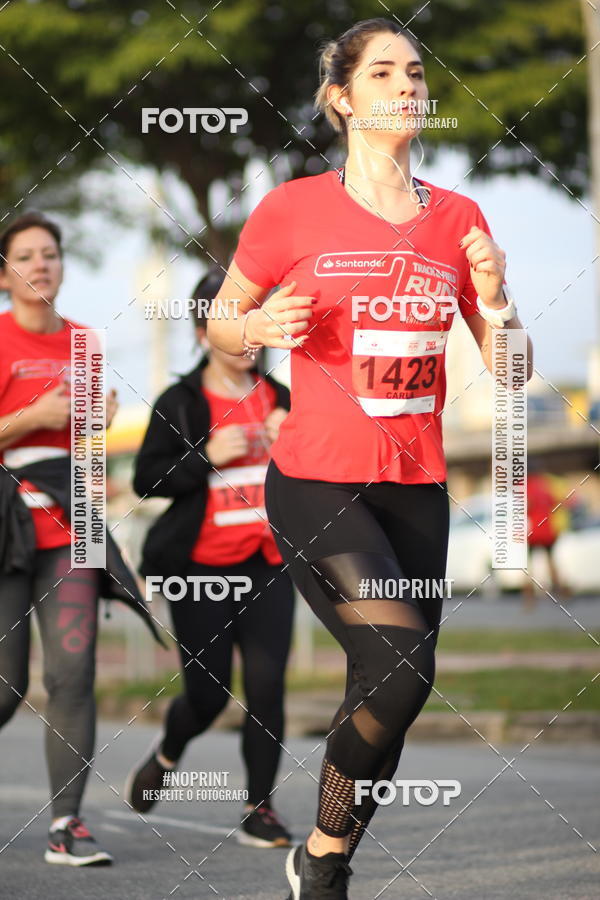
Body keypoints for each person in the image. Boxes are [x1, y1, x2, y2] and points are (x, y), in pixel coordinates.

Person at [207, 17, 534, 899]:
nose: (406, 83)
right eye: (382, 70)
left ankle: (326, 859)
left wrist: (497, 300)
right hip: (316, 478)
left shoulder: (459, 219)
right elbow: (222, 320)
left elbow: (512, 369)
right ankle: (319, 852)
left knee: (387, 691)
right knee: (402, 664)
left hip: (416, 487)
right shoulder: (292, 208)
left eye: (416, 71)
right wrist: (254, 326)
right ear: (342, 98)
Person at [0, 211, 161, 867]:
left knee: (73, 676)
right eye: (27, 256)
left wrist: (96, 429)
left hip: (71, 528)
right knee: (6, 687)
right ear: (6, 271)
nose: (42, 265)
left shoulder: (87, 343)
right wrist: (34, 416)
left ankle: (67, 825)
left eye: (52, 254)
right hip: (4, 529)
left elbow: (88, 454)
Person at [126, 269, 295, 848]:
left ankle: (259, 808)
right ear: (204, 333)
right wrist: (203, 455)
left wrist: (293, 438)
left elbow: (322, 474)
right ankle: (168, 753)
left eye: (258, 327)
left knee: (268, 686)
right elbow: (146, 479)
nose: (251, 340)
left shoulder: (282, 398)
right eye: (235, 327)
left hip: (267, 564)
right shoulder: (182, 401)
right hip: (197, 571)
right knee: (209, 693)